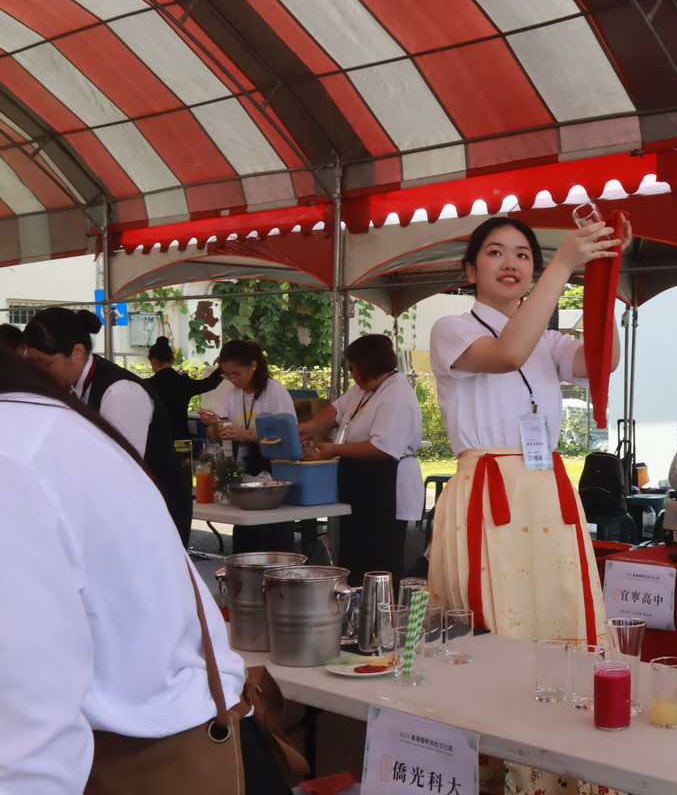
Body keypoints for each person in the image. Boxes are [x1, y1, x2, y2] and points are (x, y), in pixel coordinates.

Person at [0, 349, 290, 795]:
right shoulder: (37, 423)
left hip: (166, 756)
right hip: (152, 732)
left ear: (76, 352)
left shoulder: (20, 449)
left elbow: (25, 720)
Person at [428, 215, 625, 646]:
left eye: (522, 255)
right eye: (495, 252)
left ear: (533, 270)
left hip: (545, 489)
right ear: (471, 270)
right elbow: (508, 353)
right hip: (487, 488)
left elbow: (602, 361)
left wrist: (602, 271)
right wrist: (563, 265)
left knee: (558, 604)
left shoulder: (549, 341)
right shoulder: (451, 329)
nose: (509, 262)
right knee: (494, 617)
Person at [22, 307, 193, 547]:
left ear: (77, 352)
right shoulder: (73, 387)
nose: (40, 373)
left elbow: (121, 470)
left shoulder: (121, 392)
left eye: (46, 363)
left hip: (152, 515)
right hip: (117, 514)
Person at [299, 334, 423, 586]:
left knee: (379, 558)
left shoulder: (396, 395)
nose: (351, 372)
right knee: (354, 552)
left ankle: (383, 615)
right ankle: (354, 609)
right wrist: (310, 426)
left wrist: (335, 449)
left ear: (367, 366)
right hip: (360, 481)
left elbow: (383, 449)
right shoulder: (365, 388)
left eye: (353, 366)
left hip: (385, 484)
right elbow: (338, 409)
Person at [199, 339, 297, 552]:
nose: (232, 380)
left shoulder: (274, 392)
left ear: (253, 365)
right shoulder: (231, 394)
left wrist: (245, 434)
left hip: (274, 472)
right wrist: (214, 422)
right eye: (227, 375)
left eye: (237, 373)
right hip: (243, 469)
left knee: (273, 539)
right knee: (246, 537)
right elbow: (217, 435)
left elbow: (286, 437)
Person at [144, 335, 223, 442]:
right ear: (172, 360)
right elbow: (209, 384)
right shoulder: (183, 382)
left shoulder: (147, 385)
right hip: (182, 439)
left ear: (153, 361)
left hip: (157, 441)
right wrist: (222, 367)